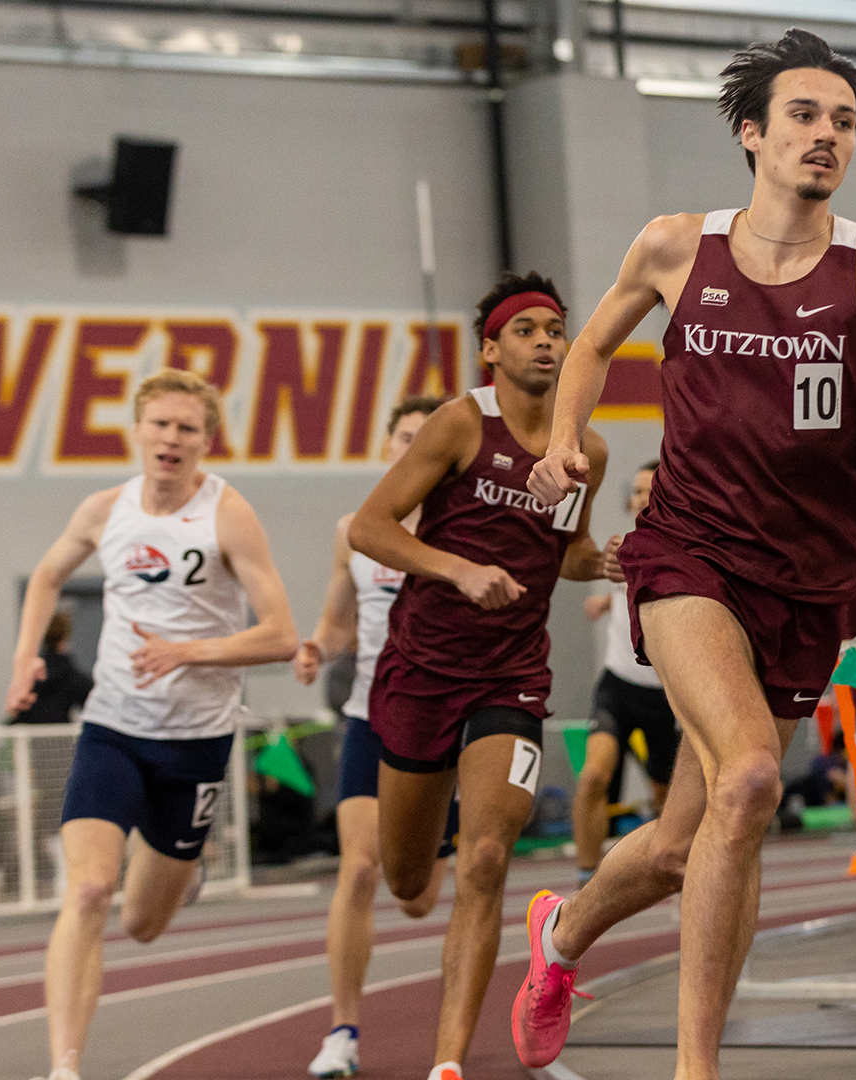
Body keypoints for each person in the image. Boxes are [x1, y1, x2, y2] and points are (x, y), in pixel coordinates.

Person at [515, 28, 856, 1077]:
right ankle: (697, 1068)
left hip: (808, 578)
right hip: (689, 553)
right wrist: (565, 437)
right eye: (805, 116)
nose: (827, 137)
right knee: (752, 778)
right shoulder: (677, 244)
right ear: (752, 133)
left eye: (845, 122)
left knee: (688, 842)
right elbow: (591, 344)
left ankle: (561, 935)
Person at [349, 272, 614, 1080]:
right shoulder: (460, 424)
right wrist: (458, 570)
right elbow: (369, 527)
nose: (545, 340)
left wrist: (612, 563)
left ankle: (449, 1065)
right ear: (492, 350)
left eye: (555, 328)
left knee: (488, 858)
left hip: (512, 676)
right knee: (406, 879)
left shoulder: (586, 449)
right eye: (526, 329)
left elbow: (568, 554)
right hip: (423, 670)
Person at [5, 369, 300, 1080]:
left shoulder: (228, 515)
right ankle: (65, 1067)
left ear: (207, 439)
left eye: (186, 428)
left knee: (141, 924)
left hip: (195, 744)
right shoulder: (105, 509)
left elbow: (282, 636)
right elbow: (46, 576)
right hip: (113, 731)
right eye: (160, 425)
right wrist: (24, 658)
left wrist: (189, 651)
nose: (171, 440)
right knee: (87, 891)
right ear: (136, 429)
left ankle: (184, 870)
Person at [292, 395, 452, 1079]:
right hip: (368, 713)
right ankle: (342, 1032)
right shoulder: (352, 528)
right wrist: (314, 649)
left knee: (416, 898)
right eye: (405, 437)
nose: (415, 448)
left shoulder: (460, 529)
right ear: (387, 446)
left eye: (428, 440)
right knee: (357, 870)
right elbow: (338, 623)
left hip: (441, 719)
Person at [574, 461, 680, 884]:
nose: (640, 499)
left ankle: (668, 872)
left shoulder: (682, 549)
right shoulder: (622, 546)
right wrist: (607, 599)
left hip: (667, 694)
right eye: (635, 492)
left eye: (649, 491)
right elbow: (619, 581)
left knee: (665, 796)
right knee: (593, 776)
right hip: (618, 685)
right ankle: (586, 878)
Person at [8, 611, 94, 725]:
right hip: (60, 739)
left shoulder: (32, 678)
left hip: (30, 739)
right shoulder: (71, 676)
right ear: (65, 636)